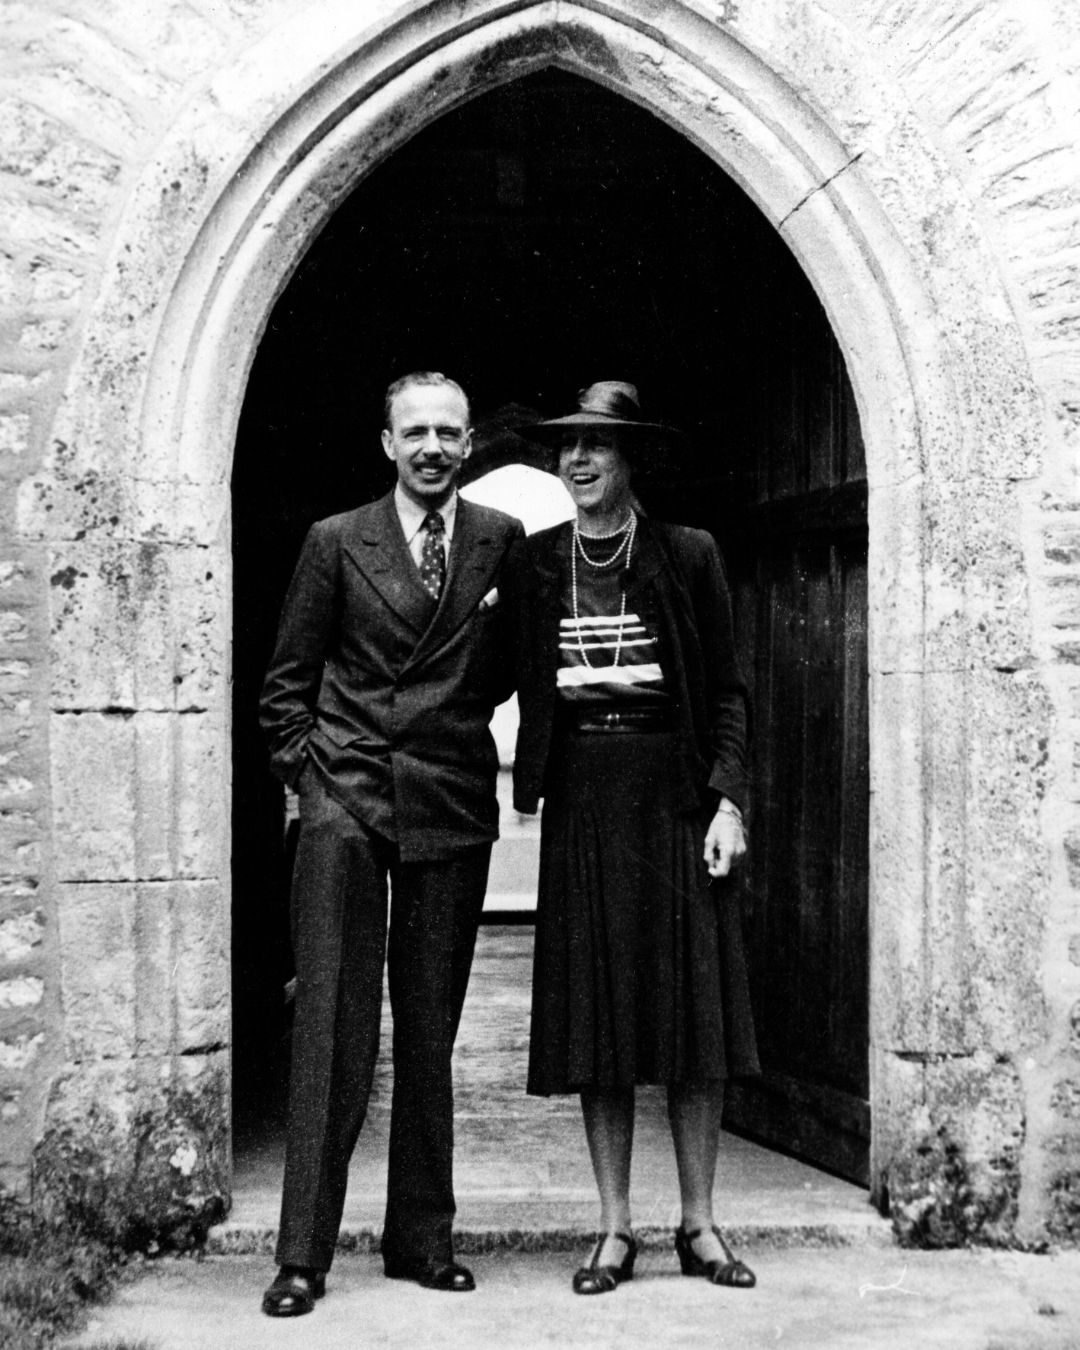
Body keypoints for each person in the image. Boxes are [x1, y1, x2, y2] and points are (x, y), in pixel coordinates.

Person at [258, 371, 523, 1315]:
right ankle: (302, 1256)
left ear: (469, 441)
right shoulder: (337, 540)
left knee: (428, 1031)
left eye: (449, 432)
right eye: (415, 432)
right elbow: (285, 682)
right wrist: (311, 778)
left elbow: (511, 667)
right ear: (387, 444)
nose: (433, 448)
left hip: (449, 799)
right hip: (350, 798)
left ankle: (422, 1240)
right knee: (331, 1027)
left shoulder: (499, 539)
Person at [504, 380, 760, 1295]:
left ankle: (700, 1223)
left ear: (630, 458)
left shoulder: (688, 555)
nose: (576, 461)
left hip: (675, 798)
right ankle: (613, 1231)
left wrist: (727, 801)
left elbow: (727, 691)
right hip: (582, 795)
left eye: (597, 447)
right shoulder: (535, 563)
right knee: (596, 1022)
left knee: (696, 1023)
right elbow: (484, 671)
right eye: (567, 447)